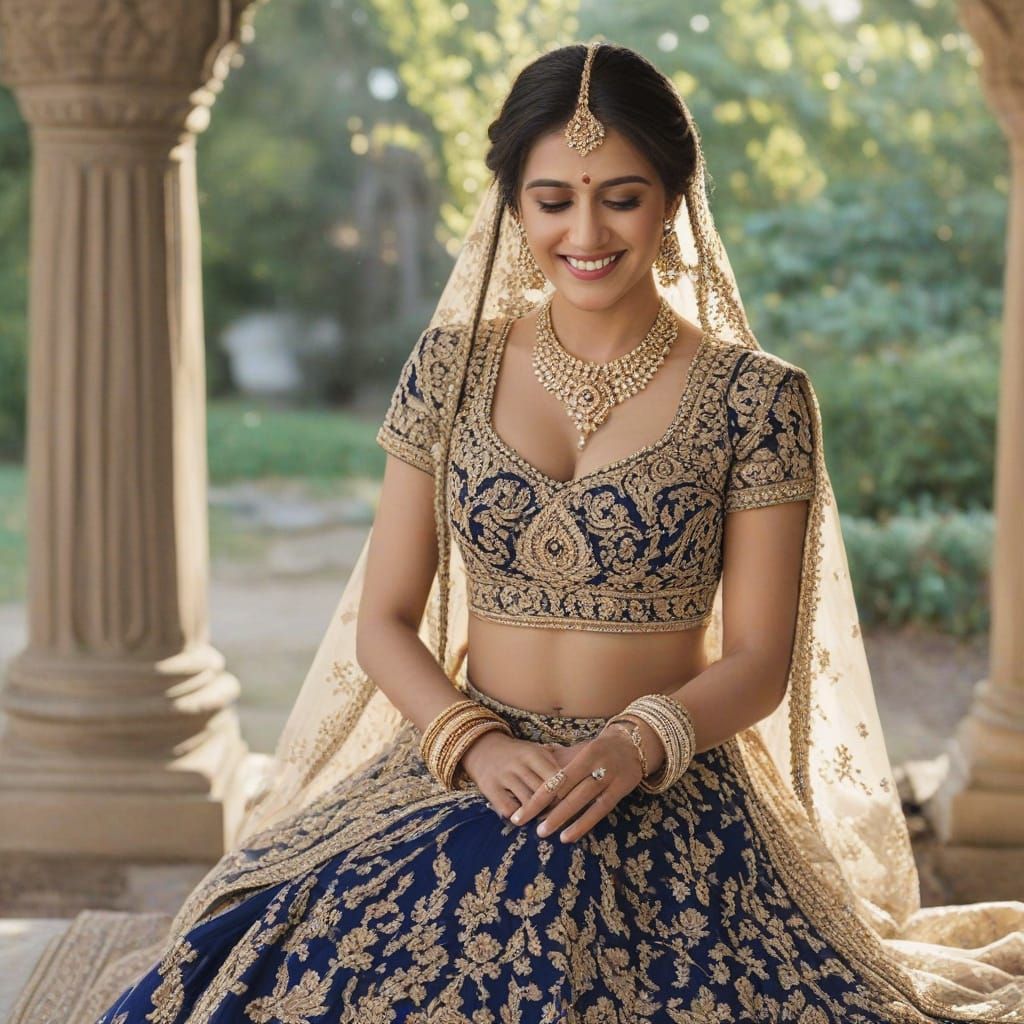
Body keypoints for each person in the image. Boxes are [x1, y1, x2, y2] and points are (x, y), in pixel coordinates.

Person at [92, 41, 1024, 1024]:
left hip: (663, 787)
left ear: (671, 199)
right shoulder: (449, 369)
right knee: (245, 981)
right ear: (512, 205)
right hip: (466, 769)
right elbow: (387, 620)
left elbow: (758, 661)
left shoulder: (759, 399)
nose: (584, 229)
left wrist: (635, 743)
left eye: (619, 196)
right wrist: (473, 743)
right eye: (551, 200)